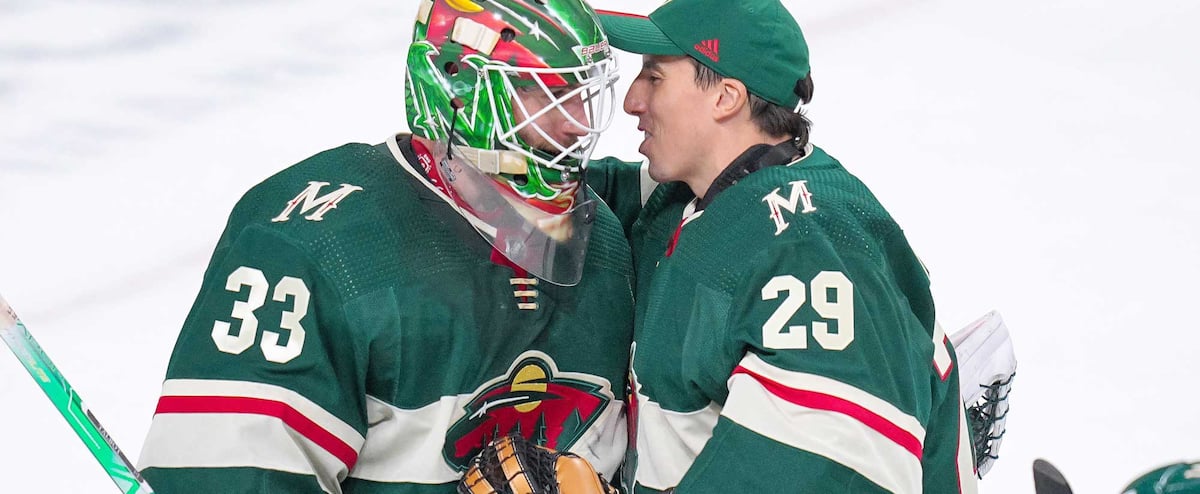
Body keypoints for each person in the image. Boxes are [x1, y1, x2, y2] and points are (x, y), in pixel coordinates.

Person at [137, 1, 635, 492]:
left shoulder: (617, 225)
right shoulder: (316, 247)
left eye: (580, 93)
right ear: (456, 89)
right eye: (542, 92)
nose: (575, 123)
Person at [592, 1, 980, 492]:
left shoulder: (808, 255)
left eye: (655, 78)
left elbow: (823, 477)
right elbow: (572, 196)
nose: (632, 101)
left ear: (726, 98)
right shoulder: (701, 195)